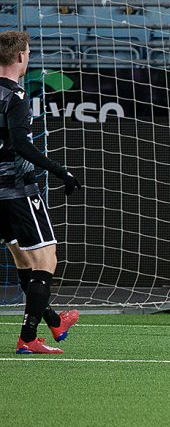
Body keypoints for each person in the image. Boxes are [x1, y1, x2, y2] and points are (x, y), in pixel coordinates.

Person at [0, 30, 82, 354]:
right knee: (47, 259)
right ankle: (28, 336)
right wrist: (61, 171)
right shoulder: (16, 97)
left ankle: (53, 321)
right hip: (18, 190)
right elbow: (21, 144)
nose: (29, 58)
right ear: (20, 57)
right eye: (29, 53)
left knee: (23, 258)